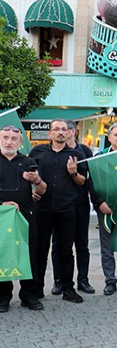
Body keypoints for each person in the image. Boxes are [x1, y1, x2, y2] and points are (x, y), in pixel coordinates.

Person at [29, 119, 87, 304]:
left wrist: (73, 172)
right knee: (40, 250)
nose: (61, 132)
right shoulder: (37, 152)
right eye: (57, 129)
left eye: (64, 129)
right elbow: (26, 176)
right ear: (50, 133)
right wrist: (31, 191)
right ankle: (36, 289)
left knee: (65, 251)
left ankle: (68, 289)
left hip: (66, 208)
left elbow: (82, 182)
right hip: (42, 208)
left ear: (69, 133)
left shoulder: (76, 154)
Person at [0, 125, 47, 312]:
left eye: (13, 138)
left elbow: (42, 190)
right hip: (1, 218)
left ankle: (29, 295)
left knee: (30, 256)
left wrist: (36, 181)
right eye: (5, 137)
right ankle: (3, 297)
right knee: (2, 256)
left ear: (20, 142)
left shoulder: (29, 162)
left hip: (26, 217)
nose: (9, 141)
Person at [89, 123, 117, 296]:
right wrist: (99, 203)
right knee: (106, 247)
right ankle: (110, 281)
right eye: (116, 135)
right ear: (109, 138)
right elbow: (92, 182)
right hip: (106, 209)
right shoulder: (99, 158)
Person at [50, 120, 95, 296]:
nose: (65, 133)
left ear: (74, 132)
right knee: (58, 244)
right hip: (59, 205)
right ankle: (58, 280)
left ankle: (83, 279)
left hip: (80, 203)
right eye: (61, 129)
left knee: (82, 244)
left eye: (68, 129)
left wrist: (96, 200)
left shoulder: (84, 151)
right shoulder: (52, 151)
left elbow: (90, 178)